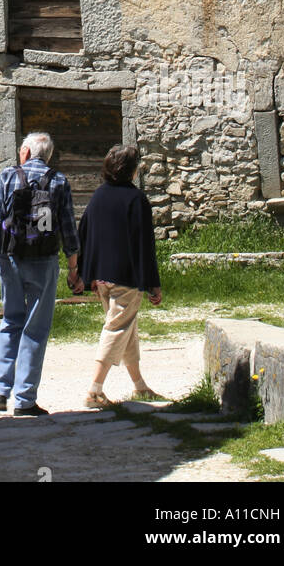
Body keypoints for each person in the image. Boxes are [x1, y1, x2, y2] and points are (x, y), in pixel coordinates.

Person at [0, 131, 80, 416]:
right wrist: (73, 270)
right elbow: (69, 230)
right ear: (47, 156)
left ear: (25, 152)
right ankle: (24, 400)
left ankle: (0, 391)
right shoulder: (58, 181)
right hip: (44, 260)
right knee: (35, 328)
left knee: (10, 320)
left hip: (10, 258)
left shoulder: (8, 177)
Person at [77, 143, 163, 408]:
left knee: (127, 328)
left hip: (102, 277)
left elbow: (85, 234)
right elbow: (144, 244)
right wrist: (153, 284)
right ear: (132, 171)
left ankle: (139, 385)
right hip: (126, 277)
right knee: (116, 329)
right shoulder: (136, 200)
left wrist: (87, 273)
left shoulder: (99, 196)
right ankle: (95, 389)